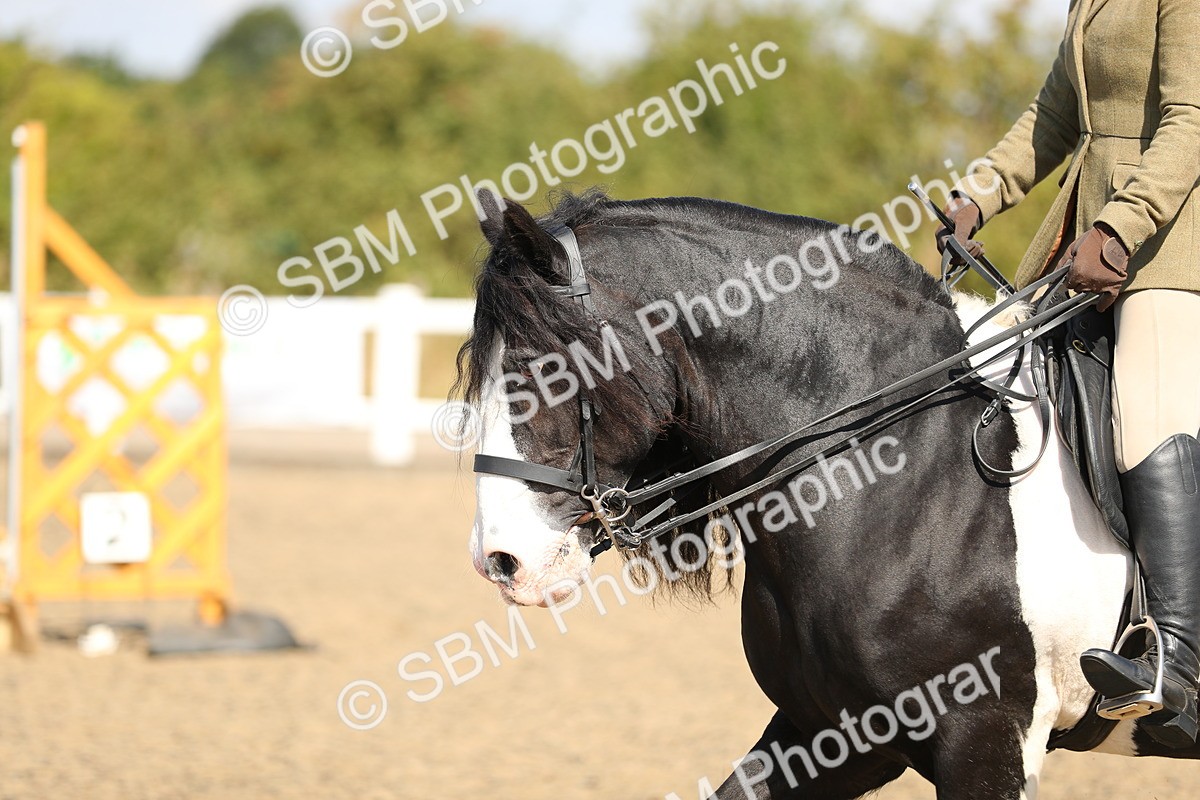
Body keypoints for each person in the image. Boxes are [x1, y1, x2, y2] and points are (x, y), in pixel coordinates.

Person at [936, 0, 1200, 747]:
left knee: (1144, 415)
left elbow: (1192, 121)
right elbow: (1054, 114)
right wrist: (977, 194)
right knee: (992, 364)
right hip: (1088, 251)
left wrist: (1122, 224)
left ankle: (1175, 657)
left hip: (1172, 249)